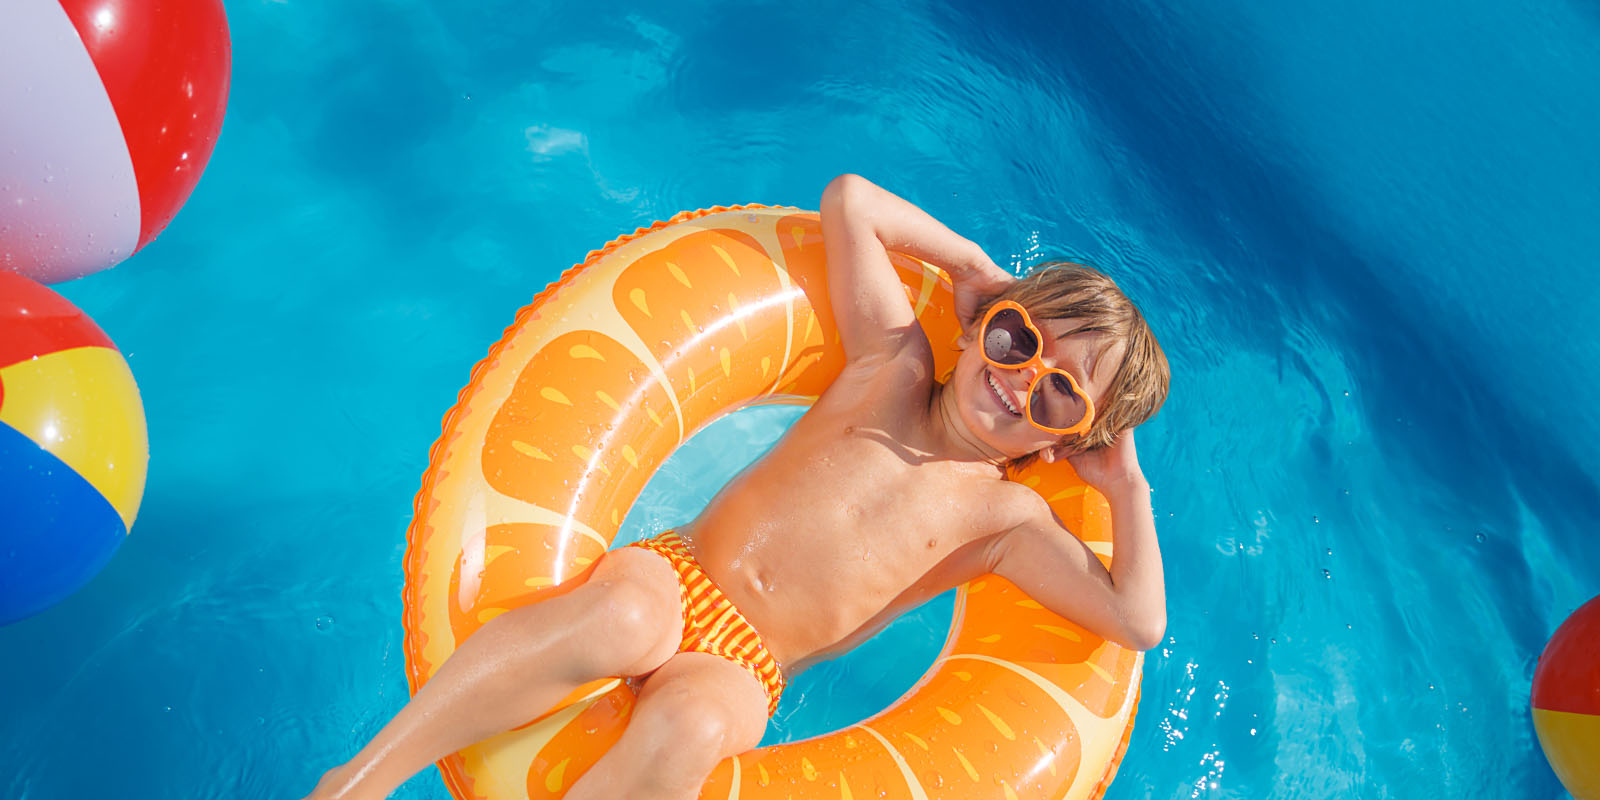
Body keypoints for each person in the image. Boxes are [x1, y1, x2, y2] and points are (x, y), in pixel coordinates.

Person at [303, 174, 1171, 800]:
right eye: (1019, 340)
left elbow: (1137, 621)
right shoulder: (893, 364)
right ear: (983, 327)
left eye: (1061, 394)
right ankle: (361, 779)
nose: (1023, 380)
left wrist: (1124, 486)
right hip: (680, 572)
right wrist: (973, 265)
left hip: (747, 661)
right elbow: (851, 201)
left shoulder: (1008, 520)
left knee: (696, 728)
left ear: (1071, 438)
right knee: (621, 615)